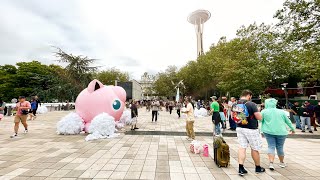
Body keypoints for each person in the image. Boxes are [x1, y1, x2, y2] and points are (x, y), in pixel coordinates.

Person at [236, 90, 265, 176]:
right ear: (249, 95)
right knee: (254, 148)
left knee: (242, 147)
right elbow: (259, 117)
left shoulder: (236, 103)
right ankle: (258, 167)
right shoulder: (251, 104)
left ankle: (241, 168)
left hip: (240, 127)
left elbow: (234, 116)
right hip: (251, 129)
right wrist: (259, 112)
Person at [261, 98, 295, 171]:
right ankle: (281, 162)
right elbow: (288, 121)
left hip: (268, 131)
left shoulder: (264, 111)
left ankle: (271, 163)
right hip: (281, 132)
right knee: (280, 147)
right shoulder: (281, 112)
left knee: (271, 146)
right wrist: (292, 129)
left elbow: (260, 120)